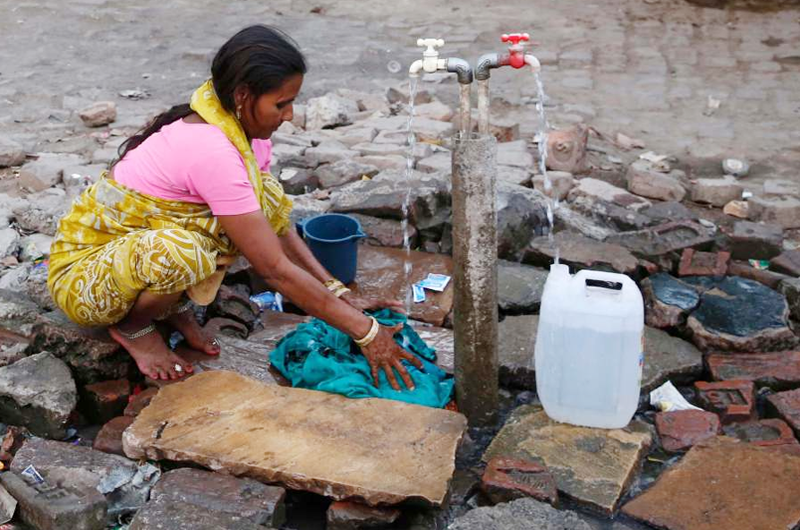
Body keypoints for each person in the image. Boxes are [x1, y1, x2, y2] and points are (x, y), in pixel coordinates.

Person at [48, 25, 422, 389]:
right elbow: (273, 269)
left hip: (133, 258)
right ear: (243, 95)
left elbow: (274, 225)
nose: (290, 115)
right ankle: (134, 325)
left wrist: (338, 292)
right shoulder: (213, 151)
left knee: (268, 195)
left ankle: (168, 307)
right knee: (180, 254)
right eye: (282, 104)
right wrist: (366, 332)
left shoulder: (242, 131)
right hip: (85, 278)